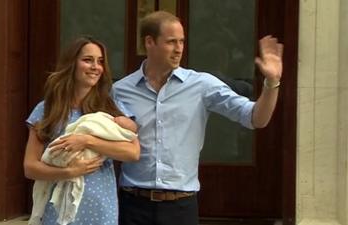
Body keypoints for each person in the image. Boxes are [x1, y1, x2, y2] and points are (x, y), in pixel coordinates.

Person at [112, 11, 283, 225]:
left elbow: (255, 118)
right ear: (149, 42)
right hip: (133, 205)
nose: (179, 49)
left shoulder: (202, 86)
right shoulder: (120, 90)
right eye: (171, 42)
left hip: (180, 207)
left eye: (182, 41)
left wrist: (272, 82)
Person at [24, 36, 140, 225]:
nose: (96, 67)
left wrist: (87, 141)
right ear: (72, 64)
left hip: (101, 208)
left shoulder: (111, 108)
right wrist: (69, 172)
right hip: (59, 211)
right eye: (88, 60)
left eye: (100, 61)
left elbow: (133, 152)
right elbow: (30, 167)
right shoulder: (46, 110)